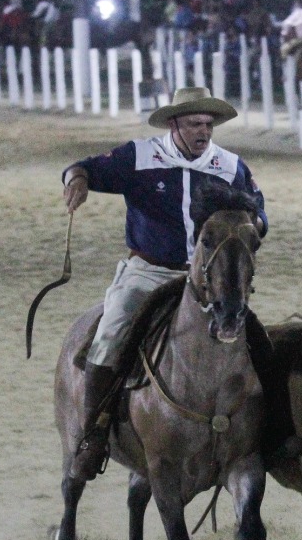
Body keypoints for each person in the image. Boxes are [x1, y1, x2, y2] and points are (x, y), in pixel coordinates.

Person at [60, 87, 268, 480]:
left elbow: (259, 215)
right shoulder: (139, 156)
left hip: (211, 276)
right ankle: (93, 434)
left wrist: (251, 227)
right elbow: (83, 167)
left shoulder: (230, 166)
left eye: (207, 124)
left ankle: (267, 429)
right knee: (110, 332)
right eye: (194, 124)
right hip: (149, 271)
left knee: (256, 338)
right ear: (175, 124)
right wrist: (76, 180)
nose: (203, 132)